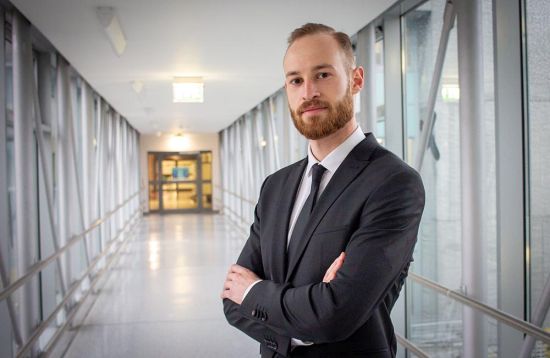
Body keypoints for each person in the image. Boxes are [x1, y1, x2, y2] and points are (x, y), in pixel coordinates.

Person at [221, 23, 425, 358]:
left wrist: (255, 292)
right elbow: (232, 300)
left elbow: (335, 316)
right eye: (296, 80)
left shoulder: (393, 182)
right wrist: (305, 321)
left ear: (356, 79)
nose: (308, 92)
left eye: (323, 75)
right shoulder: (275, 187)